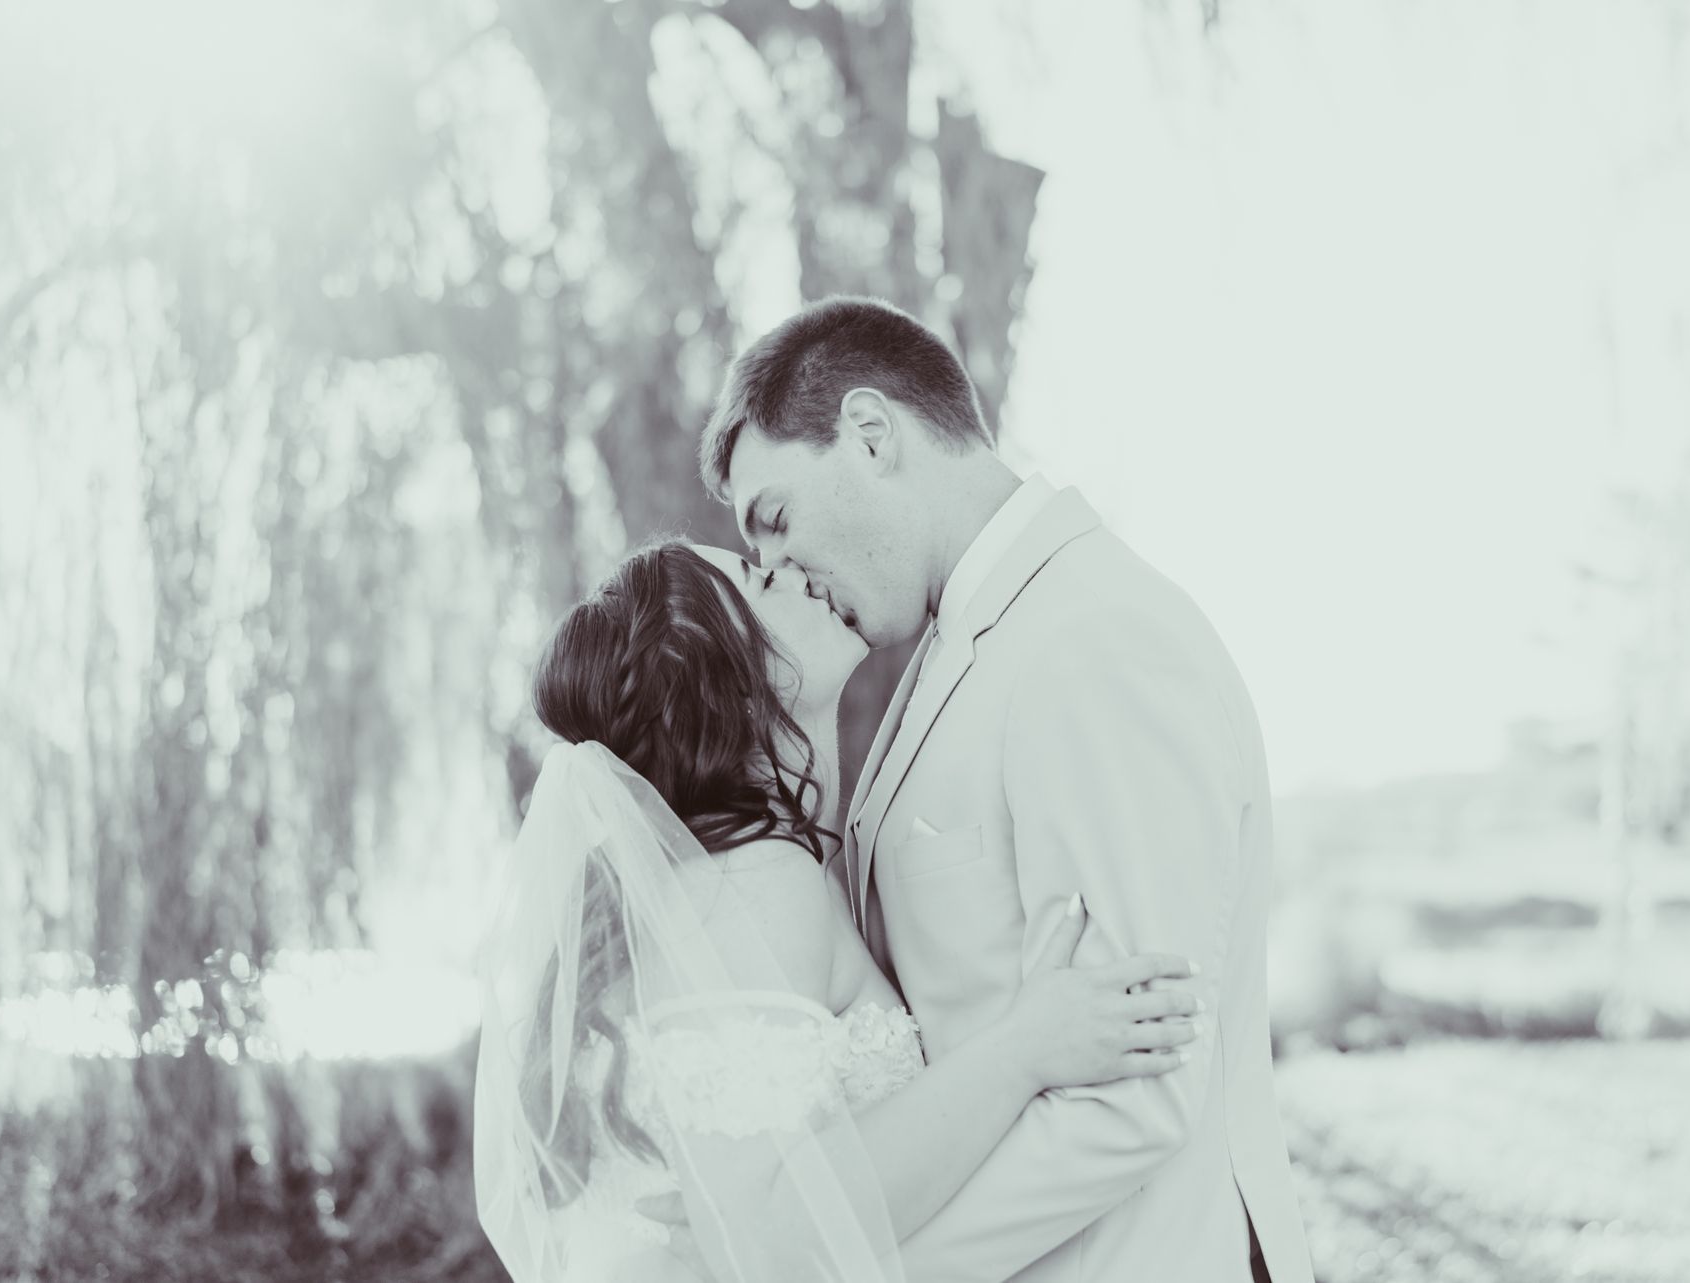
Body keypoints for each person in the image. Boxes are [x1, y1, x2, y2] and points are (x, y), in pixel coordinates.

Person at [696, 295, 1316, 1283]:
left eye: (775, 518)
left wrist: (872, 1270)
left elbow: (1134, 1095)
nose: (773, 568)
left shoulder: (1093, 640)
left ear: (869, 433)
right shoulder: (962, 644)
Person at [473, 538, 1204, 1283]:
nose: (793, 569)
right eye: (761, 578)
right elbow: (776, 1234)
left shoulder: (734, 883)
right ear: (736, 682)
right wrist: (1025, 1048)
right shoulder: (756, 882)